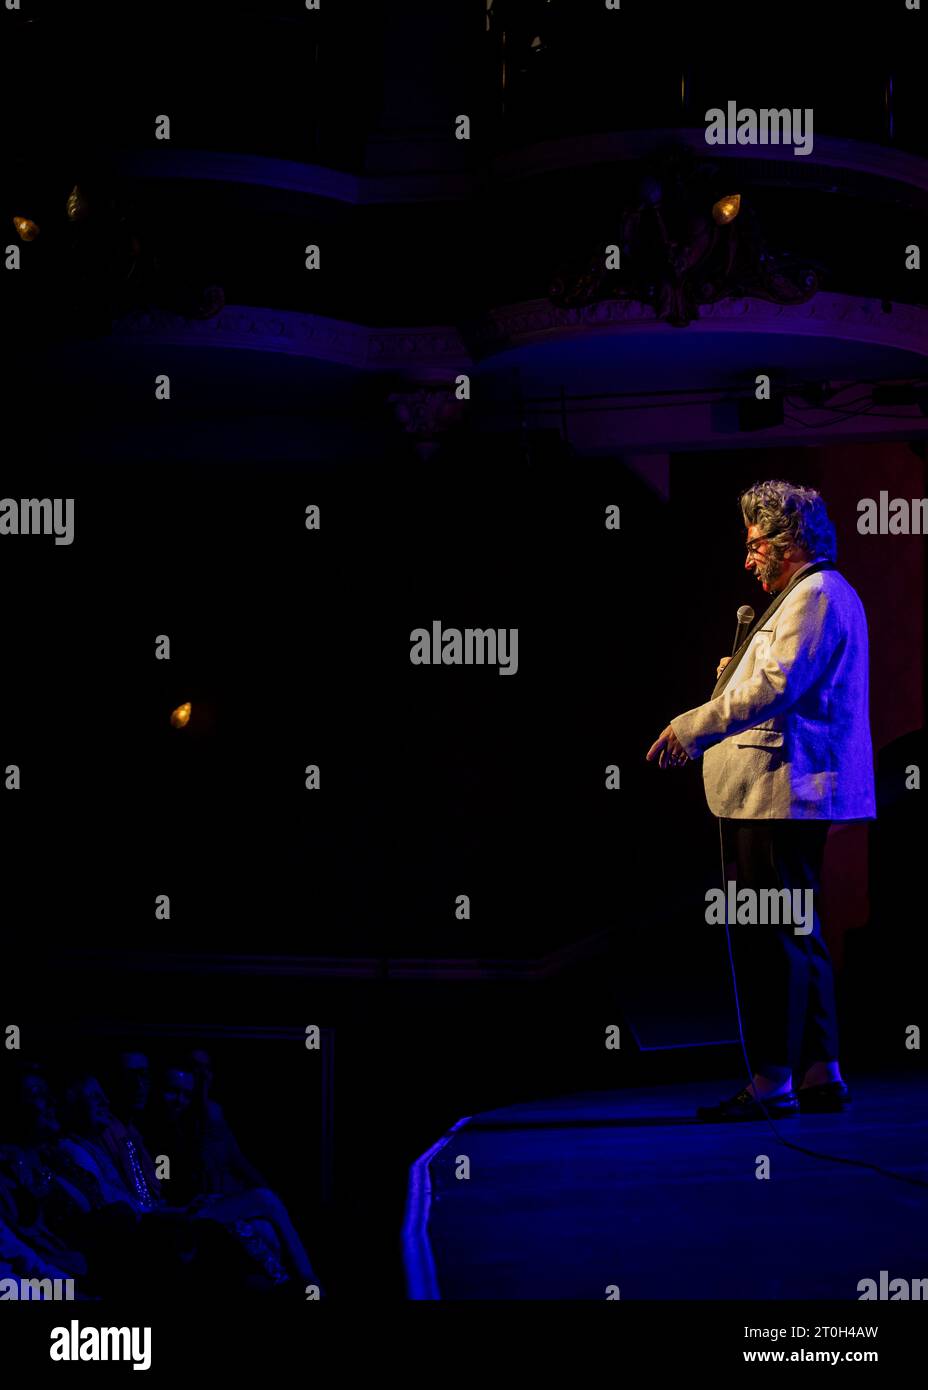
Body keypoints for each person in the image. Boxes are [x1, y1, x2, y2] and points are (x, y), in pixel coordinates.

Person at [646, 480, 876, 1121]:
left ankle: (773, 1082)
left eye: (755, 545)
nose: (748, 560)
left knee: (767, 939)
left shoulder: (816, 595)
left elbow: (774, 687)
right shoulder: (811, 597)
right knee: (796, 935)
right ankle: (819, 1073)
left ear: (789, 541)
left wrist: (690, 727)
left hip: (777, 794)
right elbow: (773, 679)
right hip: (780, 794)